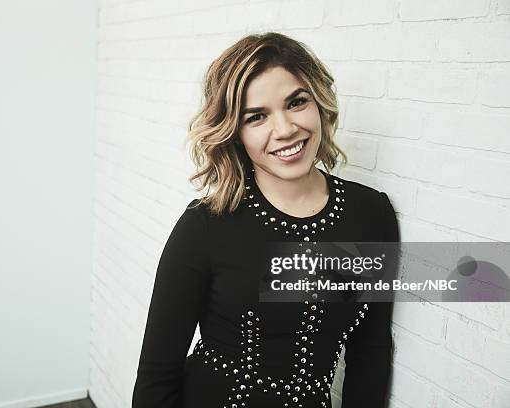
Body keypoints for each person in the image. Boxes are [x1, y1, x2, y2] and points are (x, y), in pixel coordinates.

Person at [131, 32, 400, 408]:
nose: (285, 129)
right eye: (256, 117)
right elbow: (157, 375)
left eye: (296, 102)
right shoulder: (205, 224)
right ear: (235, 133)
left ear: (319, 102)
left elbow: (370, 349)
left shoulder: (371, 214)